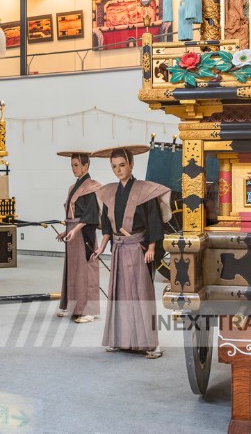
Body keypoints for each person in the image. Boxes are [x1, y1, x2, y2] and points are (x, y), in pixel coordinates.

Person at [93, 145, 171, 359]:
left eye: (122, 165)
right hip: (118, 248)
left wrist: (153, 246)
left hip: (139, 248)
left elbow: (154, 220)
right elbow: (107, 225)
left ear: (131, 164)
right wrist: (101, 246)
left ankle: (148, 344)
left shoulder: (145, 191)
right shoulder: (109, 192)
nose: (118, 170)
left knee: (141, 294)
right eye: (114, 166)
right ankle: (120, 340)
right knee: (120, 295)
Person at [55, 151, 102, 323]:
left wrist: (75, 230)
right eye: (72, 166)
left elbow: (91, 214)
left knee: (85, 271)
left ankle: (87, 310)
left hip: (83, 233)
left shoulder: (92, 187)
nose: (73, 169)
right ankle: (73, 306)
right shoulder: (73, 187)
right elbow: (71, 213)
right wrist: (67, 229)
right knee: (73, 270)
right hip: (72, 232)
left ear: (86, 166)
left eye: (76, 165)